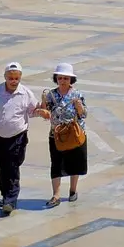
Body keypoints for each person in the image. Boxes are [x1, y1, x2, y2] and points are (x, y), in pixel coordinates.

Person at [0, 61, 36, 216]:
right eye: (10, 77)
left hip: (18, 136)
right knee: (1, 166)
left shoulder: (26, 93)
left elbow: (32, 111)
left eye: (16, 78)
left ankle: (11, 199)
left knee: (12, 166)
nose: (13, 81)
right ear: (5, 77)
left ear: (20, 77)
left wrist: (42, 112)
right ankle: (6, 196)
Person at [37, 61, 88, 206]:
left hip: (75, 133)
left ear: (71, 79)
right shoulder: (51, 94)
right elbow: (46, 113)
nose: (63, 81)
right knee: (56, 164)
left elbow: (84, 114)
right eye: (60, 78)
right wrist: (42, 108)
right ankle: (56, 195)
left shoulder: (77, 94)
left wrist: (79, 107)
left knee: (75, 162)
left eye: (66, 78)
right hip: (57, 135)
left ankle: (73, 190)